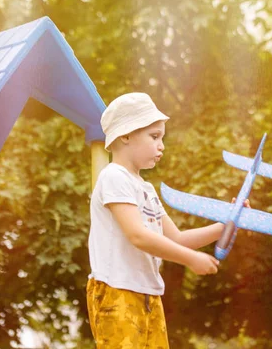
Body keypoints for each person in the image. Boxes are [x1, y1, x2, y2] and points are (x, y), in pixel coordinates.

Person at [86, 92, 249, 348]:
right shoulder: (114, 177)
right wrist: (190, 259)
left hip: (149, 293)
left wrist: (226, 224)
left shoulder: (147, 190)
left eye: (162, 138)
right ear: (126, 135)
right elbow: (137, 235)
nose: (161, 145)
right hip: (117, 291)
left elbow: (178, 239)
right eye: (154, 137)